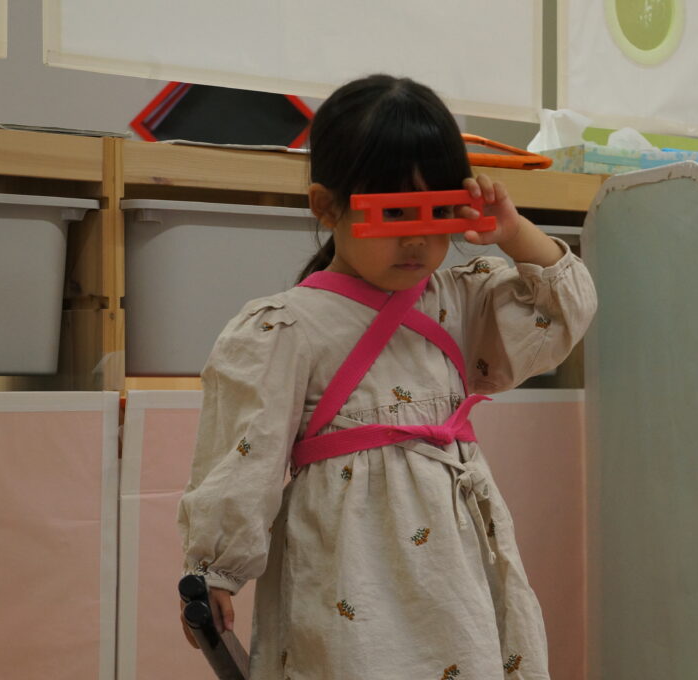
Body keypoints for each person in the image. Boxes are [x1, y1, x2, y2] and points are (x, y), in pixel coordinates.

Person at [177, 73, 597, 679]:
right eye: (393, 214)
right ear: (328, 207)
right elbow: (245, 454)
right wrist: (214, 571)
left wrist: (512, 232)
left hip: (453, 567)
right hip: (347, 570)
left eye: (438, 213)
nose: (418, 240)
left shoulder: (460, 301)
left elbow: (564, 308)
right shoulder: (287, 327)